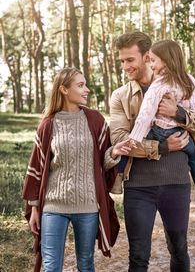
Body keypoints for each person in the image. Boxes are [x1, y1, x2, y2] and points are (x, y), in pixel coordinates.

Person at [109, 32, 195, 272]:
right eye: (122, 61)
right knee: (138, 255)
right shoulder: (120, 96)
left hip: (176, 182)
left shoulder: (182, 84)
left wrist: (178, 113)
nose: (125, 66)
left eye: (130, 60)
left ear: (148, 57)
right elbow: (120, 139)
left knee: (178, 248)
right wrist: (162, 147)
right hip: (138, 186)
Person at [22, 67, 132, 272]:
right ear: (64, 89)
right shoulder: (48, 124)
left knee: (85, 264)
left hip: (88, 206)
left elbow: (103, 163)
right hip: (53, 207)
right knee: (51, 266)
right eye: (80, 85)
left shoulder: (95, 120)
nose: (87, 90)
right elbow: (37, 167)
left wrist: (114, 152)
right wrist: (35, 208)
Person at [120, 39, 195, 208]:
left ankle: (118, 179)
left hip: (161, 130)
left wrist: (136, 136)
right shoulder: (189, 80)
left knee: (126, 148)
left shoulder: (159, 84)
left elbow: (146, 114)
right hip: (182, 133)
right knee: (194, 160)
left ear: (165, 60)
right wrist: (190, 111)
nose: (151, 64)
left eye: (153, 60)